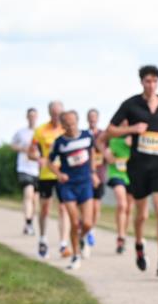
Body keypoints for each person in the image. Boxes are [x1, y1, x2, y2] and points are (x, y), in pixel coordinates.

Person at [104, 65, 158, 277]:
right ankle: (138, 244)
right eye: (148, 81)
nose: (152, 85)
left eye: (155, 81)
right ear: (142, 82)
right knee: (142, 214)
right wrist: (130, 129)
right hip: (138, 166)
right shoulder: (130, 104)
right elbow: (110, 130)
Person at [48, 110, 97, 270]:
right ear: (62, 125)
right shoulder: (59, 142)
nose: (70, 126)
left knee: (88, 223)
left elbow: (92, 153)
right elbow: (49, 162)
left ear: (77, 121)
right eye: (67, 124)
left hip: (85, 183)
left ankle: (82, 239)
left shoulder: (87, 136)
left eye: (73, 123)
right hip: (68, 185)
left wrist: (94, 173)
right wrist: (59, 174)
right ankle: (75, 255)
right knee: (75, 223)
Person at [29, 101, 72, 259]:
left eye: (59, 114)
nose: (56, 117)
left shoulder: (68, 130)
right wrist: (38, 158)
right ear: (49, 113)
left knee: (63, 209)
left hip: (63, 174)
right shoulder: (40, 130)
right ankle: (43, 239)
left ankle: (63, 244)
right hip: (47, 174)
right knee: (45, 209)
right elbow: (31, 152)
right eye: (53, 114)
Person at [11, 107, 41, 235]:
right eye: (30, 115)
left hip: (38, 169)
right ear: (27, 117)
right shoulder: (21, 132)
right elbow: (12, 145)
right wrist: (23, 149)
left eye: (34, 115)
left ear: (37, 117)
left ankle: (30, 222)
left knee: (35, 200)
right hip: (24, 168)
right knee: (28, 194)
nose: (32, 118)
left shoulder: (41, 132)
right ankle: (28, 223)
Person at [104, 124, 133, 254]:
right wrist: (107, 152)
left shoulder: (137, 138)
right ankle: (120, 237)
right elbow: (103, 147)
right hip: (117, 174)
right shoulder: (113, 138)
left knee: (129, 208)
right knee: (122, 204)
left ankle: (124, 234)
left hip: (132, 176)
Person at [86, 108, 107, 251]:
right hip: (85, 175)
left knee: (96, 207)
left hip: (100, 175)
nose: (92, 119)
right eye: (90, 117)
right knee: (86, 206)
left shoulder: (104, 135)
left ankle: (91, 229)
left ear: (98, 118)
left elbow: (109, 153)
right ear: (87, 119)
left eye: (95, 117)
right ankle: (85, 229)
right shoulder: (83, 135)